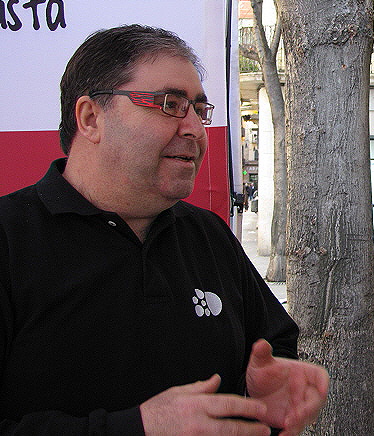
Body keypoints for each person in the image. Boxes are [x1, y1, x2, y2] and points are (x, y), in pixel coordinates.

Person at [0, 24, 329, 436]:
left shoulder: (208, 235)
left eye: (199, 110)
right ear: (90, 118)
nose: (195, 129)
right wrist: (139, 428)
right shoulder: (11, 239)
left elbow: (273, 347)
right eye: (170, 104)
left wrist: (262, 395)